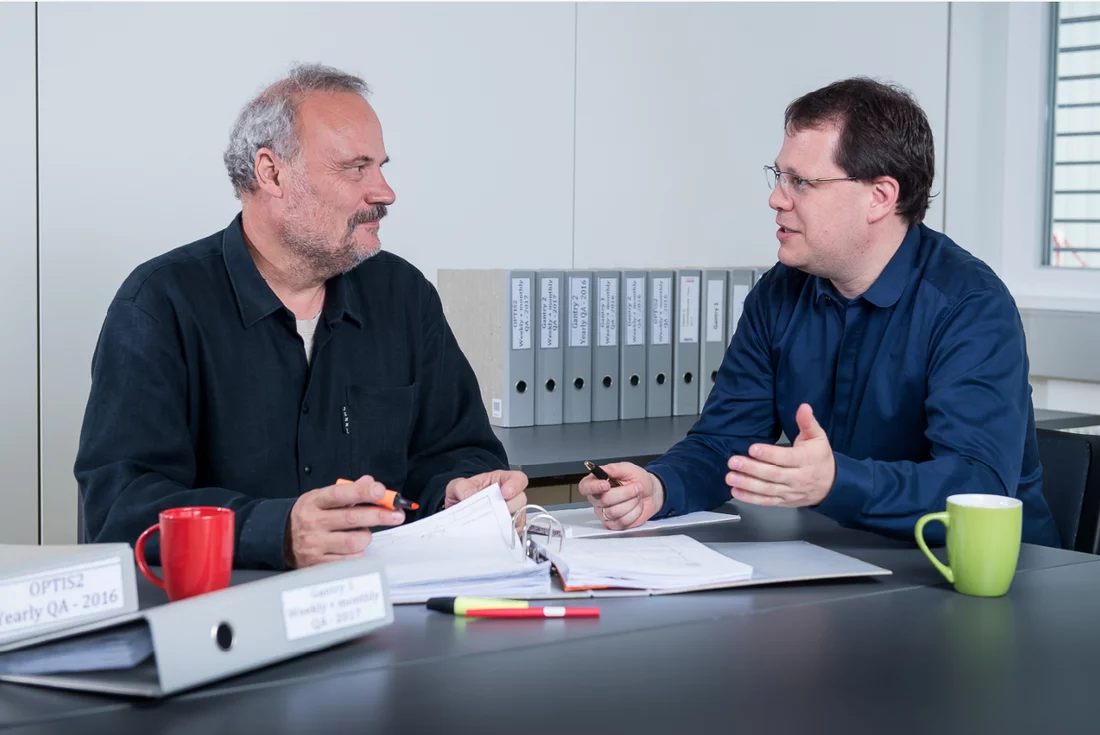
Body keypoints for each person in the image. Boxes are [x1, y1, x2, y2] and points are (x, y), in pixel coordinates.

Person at [75, 63, 528, 570]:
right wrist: (277, 532)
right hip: (228, 627)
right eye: (356, 168)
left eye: (381, 166)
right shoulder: (159, 305)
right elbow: (121, 507)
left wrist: (460, 490)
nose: (384, 191)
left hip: (392, 616)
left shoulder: (403, 295)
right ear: (272, 173)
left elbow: (457, 449)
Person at [579, 77, 1061, 548]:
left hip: (988, 580)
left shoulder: (970, 307)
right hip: (842, 562)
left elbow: (976, 489)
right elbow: (725, 442)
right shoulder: (779, 292)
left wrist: (836, 482)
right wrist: (658, 487)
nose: (776, 198)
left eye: (802, 182)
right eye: (779, 176)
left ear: (880, 197)